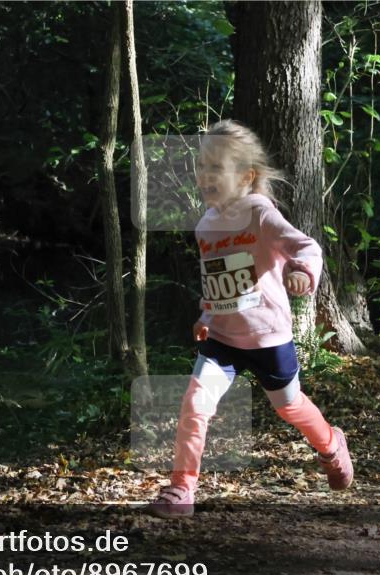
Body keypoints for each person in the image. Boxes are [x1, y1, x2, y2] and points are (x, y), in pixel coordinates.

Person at [147, 120, 354, 519]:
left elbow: (306, 247)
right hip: (222, 338)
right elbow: (216, 277)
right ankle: (182, 488)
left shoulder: (260, 213)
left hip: (267, 338)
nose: (205, 175)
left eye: (216, 167)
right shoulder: (206, 225)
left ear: (246, 176)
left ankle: (331, 445)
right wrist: (206, 314)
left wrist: (301, 272)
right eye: (201, 166)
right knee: (195, 403)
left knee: (289, 406)